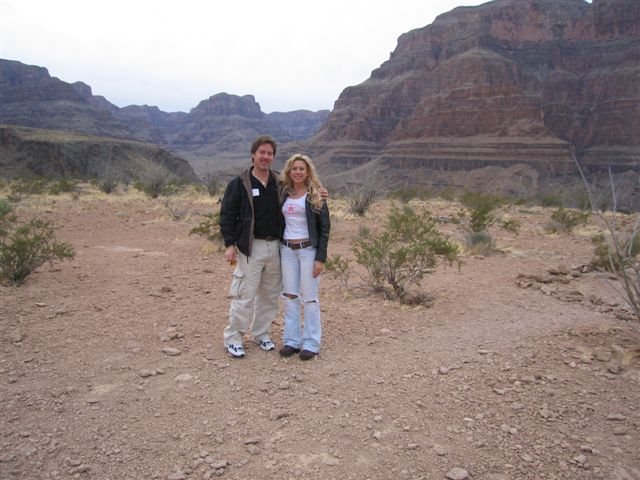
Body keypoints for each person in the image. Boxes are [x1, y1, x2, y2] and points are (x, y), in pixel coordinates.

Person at [219, 135, 282, 358]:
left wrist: (321, 194)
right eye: (262, 152)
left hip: (276, 247)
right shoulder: (239, 183)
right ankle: (234, 337)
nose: (266, 157)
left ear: (273, 157)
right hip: (250, 247)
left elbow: (301, 195)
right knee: (244, 293)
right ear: (253, 155)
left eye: (269, 153)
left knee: (270, 295)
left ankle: (261, 333)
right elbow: (227, 214)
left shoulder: (279, 182)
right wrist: (230, 244)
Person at [278, 154, 330, 361]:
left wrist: (320, 258)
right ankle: (292, 340)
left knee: (310, 297)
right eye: (294, 168)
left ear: (308, 172)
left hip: (308, 250)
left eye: (301, 168)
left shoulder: (315, 195)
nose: (298, 172)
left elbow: (324, 228)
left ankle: (311, 343)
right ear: (289, 172)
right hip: (287, 250)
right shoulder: (283, 194)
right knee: (290, 296)